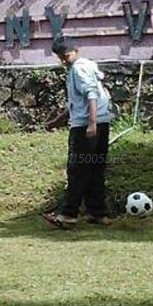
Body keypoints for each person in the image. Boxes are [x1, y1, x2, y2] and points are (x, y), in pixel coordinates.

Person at [42, 37, 114, 229]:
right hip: (102, 122)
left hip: (86, 128)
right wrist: (56, 122)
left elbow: (91, 94)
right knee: (95, 169)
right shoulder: (89, 66)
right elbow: (77, 102)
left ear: (76, 50)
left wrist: (91, 124)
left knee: (78, 170)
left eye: (66, 56)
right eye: (60, 58)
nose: (64, 61)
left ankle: (68, 215)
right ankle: (98, 213)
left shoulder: (78, 69)